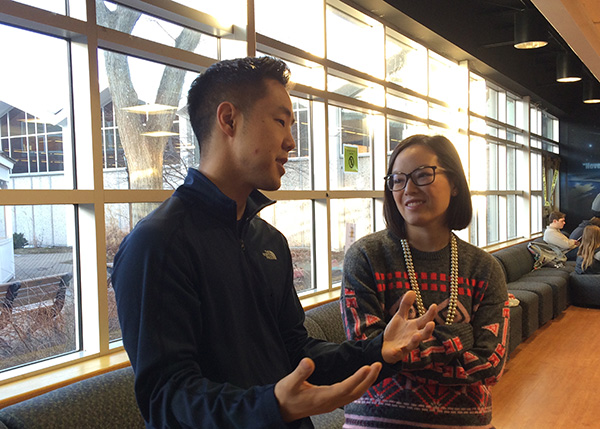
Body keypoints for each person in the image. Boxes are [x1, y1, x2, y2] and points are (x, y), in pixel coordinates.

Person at [111, 56, 438, 429]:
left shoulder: (268, 241)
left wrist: (376, 350)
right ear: (229, 120)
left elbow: (297, 352)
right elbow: (166, 397)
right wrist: (269, 406)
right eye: (280, 121)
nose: (291, 141)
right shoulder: (157, 244)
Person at [341, 134, 509, 428]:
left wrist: (402, 352)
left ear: (455, 183)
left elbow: (491, 364)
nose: (408, 189)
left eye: (422, 175)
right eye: (397, 179)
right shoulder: (366, 257)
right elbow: (367, 353)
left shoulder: (484, 268)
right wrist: (462, 335)